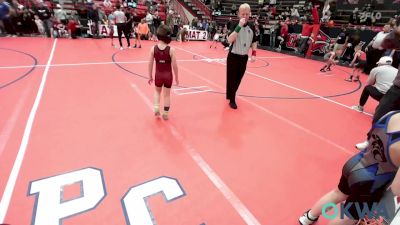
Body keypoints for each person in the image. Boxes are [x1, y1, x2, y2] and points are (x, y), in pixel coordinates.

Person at [299, 110, 400, 225]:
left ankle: (308, 218)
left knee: (336, 194)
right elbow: (397, 189)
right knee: (349, 216)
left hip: (355, 162)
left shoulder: (392, 113)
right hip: (370, 182)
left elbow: (371, 138)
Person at [226, 3, 257, 109]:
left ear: (250, 14)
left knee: (238, 78)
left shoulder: (252, 26)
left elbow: (254, 41)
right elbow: (230, 39)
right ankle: (232, 99)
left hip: (244, 57)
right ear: (239, 14)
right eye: (243, 14)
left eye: (247, 14)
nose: (245, 16)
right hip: (233, 56)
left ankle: (231, 94)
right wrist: (239, 26)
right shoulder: (234, 24)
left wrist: (254, 53)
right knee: (231, 78)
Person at [148, 25, 179, 120]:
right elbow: (175, 66)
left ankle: (156, 108)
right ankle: (165, 113)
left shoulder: (153, 49)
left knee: (157, 92)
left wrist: (150, 76)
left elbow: (150, 64)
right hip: (168, 75)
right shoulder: (171, 50)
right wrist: (177, 77)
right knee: (167, 95)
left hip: (158, 75)